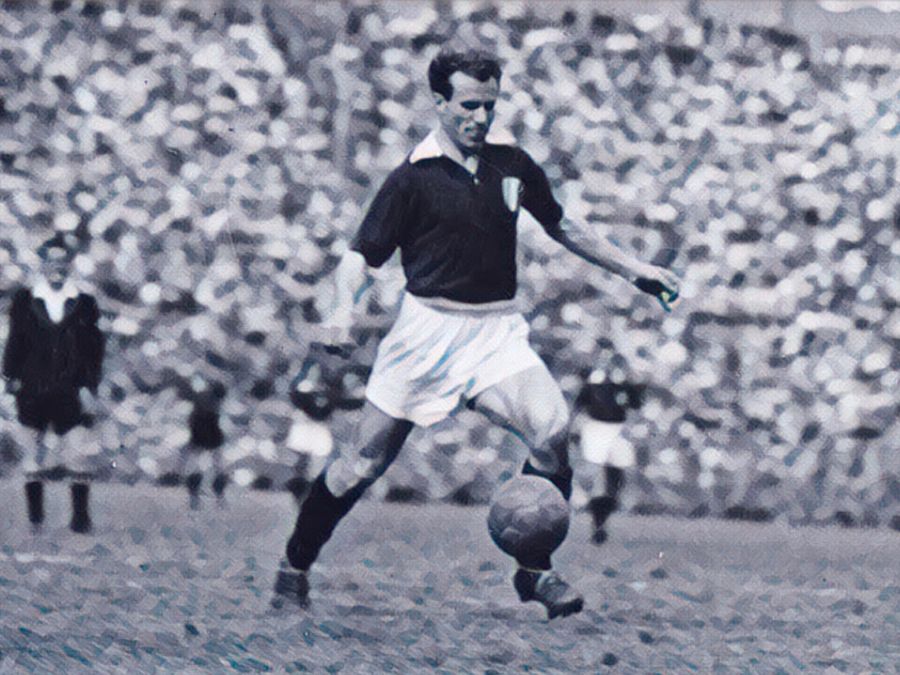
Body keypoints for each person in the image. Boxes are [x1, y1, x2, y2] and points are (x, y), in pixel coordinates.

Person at [272, 47, 680, 618]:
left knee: (551, 428)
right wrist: (341, 313)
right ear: (439, 103)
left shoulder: (511, 164)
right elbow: (359, 259)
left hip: (495, 332)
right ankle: (294, 566)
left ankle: (534, 571)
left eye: (489, 105)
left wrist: (634, 269)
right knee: (360, 465)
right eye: (468, 105)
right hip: (425, 334)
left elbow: (562, 224)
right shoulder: (412, 179)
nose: (480, 117)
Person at [2, 235, 106, 534]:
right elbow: (15, 341)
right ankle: (36, 519)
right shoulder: (25, 300)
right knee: (33, 454)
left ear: (70, 264)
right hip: (33, 388)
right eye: (52, 262)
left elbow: (94, 349)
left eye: (63, 262)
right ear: (43, 264)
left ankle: (80, 519)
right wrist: (9, 378)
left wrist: (90, 385)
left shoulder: (85, 303)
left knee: (78, 453)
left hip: (70, 389)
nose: (57, 268)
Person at [575, 361, 645, 544]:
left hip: (618, 430)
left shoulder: (624, 383)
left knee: (616, 480)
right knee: (597, 478)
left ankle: (601, 520)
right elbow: (579, 408)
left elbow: (636, 406)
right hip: (596, 428)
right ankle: (597, 521)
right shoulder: (593, 383)